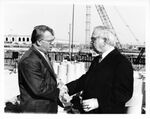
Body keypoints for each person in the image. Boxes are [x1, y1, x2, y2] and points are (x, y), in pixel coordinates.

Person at [64, 26, 134, 113]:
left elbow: (124, 93)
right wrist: (66, 88)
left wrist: (98, 102)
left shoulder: (121, 62)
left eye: (94, 39)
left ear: (105, 41)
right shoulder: (97, 60)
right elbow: (86, 79)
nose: (91, 42)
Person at [18, 25, 65, 113]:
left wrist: (57, 80)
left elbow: (45, 75)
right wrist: (58, 92)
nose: (52, 44)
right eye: (50, 41)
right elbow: (39, 89)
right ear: (39, 42)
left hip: (46, 108)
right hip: (37, 111)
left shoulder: (42, 54)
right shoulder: (29, 60)